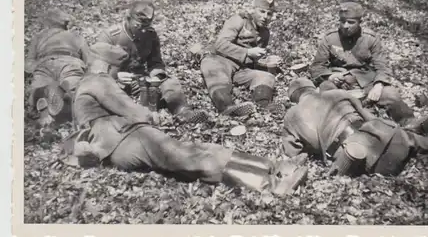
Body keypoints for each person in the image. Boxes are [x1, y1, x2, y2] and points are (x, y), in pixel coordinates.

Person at [60, 42, 309, 196]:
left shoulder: (86, 85)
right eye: (117, 69)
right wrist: (152, 116)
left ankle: (277, 167)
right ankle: (271, 183)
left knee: (201, 150)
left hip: (121, 141)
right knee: (192, 158)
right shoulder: (99, 81)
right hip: (125, 138)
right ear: (107, 66)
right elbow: (135, 112)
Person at [282, 78, 428, 177]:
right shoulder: (337, 93)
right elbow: (369, 117)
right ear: (313, 89)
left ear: (294, 99)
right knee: (416, 142)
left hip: (357, 158)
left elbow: (292, 152)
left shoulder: (292, 115)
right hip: (385, 139)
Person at [309, 2, 428, 133]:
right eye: (342, 21)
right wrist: (330, 76)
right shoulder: (330, 38)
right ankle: (335, 128)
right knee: (326, 92)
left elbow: (381, 65)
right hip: (338, 82)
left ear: (360, 22)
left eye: (350, 22)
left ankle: (410, 124)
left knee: (390, 94)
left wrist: (379, 85)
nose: (345, 26)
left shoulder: (370, 39)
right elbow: (317, 66)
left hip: (364, 81)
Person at [96, 0, 207, 124]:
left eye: (147, 25)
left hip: (140, 82)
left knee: (170, 83)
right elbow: (96, 69)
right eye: (139, 24)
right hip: (115, 84)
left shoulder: (150, 35)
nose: (143, 30)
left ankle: (183, 112)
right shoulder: (110, 36)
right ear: (128, 18)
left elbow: (155, 62)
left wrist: (156, 76)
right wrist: (116, 77)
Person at [200, 0, 278, 117]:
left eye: (269, 14)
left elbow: (253, 60)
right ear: (254, 10)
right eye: (262, 11)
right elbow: (220, 44)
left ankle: (263, 105)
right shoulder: (239, 20)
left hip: (240, 69)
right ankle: (227, 108)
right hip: (219, 59)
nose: (265, 17)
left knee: (266, 77)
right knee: (219, 78)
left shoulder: (265, 33)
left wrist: (265, 61)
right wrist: (246, 52)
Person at [25, 9, 91, 127]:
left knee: (37, 91)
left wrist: (37, 67)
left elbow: (28, 65)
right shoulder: (76, 36)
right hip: (70, 62)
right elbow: (89, 59)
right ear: (64, 24)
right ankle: (68, 95)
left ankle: (43, 103)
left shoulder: (38, 37)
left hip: (45, 64)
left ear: (48, 24)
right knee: (76, 91)